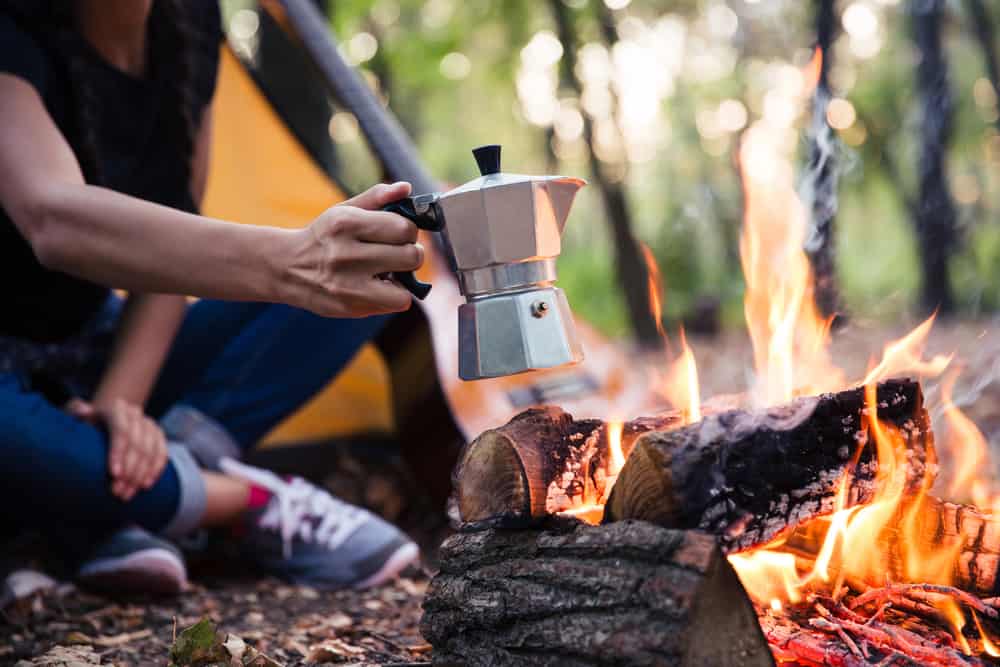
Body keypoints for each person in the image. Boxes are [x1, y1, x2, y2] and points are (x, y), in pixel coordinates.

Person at [0, 0, 425, 594]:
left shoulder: (190, 23)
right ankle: (240, 499)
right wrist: (292, 262)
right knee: (15, 436)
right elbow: (52, 218)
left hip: (99, 349)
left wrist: (120, 406)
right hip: (9, 377)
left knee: (380, 270)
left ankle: (105, 499)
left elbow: (175, 242)